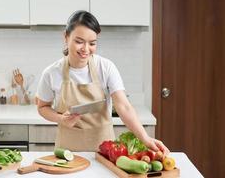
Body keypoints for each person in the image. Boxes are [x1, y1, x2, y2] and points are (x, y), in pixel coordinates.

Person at [36, 10, 169, 154]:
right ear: (66, 37)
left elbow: (123, 106)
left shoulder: (105, 67)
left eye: (92, 43)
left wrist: (145, 138)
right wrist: (61, 118)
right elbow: (42, 107)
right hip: (67, 153)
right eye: (79, 42)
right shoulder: (52, 72)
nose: (86, 49)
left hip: (104, 151)